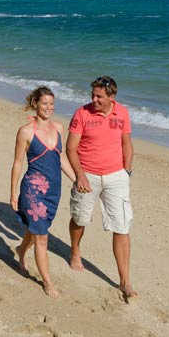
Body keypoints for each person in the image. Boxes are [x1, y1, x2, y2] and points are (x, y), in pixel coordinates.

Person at [66, 75, 137, 298]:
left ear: (111, 97)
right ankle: (75, 251)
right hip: (87, 174)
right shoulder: (82, 113)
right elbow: (70, 148)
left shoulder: (122, 113)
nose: (94, 99)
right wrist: (80, 175)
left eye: (99, 96)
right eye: (92, 95)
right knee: (80, 219)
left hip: (116, 176)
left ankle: (124, 281)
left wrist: (127, 172)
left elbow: (127, 144)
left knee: (122, 226)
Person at [10, 86, 76, 298]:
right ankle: (47, 282)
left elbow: (61, 157)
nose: (48, 107)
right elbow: (18, 163)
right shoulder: (26, 132)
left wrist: (76, 180)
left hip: (54, 190)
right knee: (42, 237)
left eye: (51, 104)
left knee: (38, 228)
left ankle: (21, 251)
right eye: (44, 103)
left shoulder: (58, 127)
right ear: (35, 104)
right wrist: (13, 193)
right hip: (33, 191)